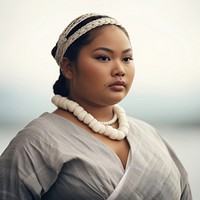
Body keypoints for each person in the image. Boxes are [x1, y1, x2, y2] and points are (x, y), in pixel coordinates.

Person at [0, 13, 192, 200]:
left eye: (126, 58)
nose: (120, 70)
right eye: (103, 58)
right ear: (68, 67)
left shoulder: (150, 135)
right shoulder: (37, 141)